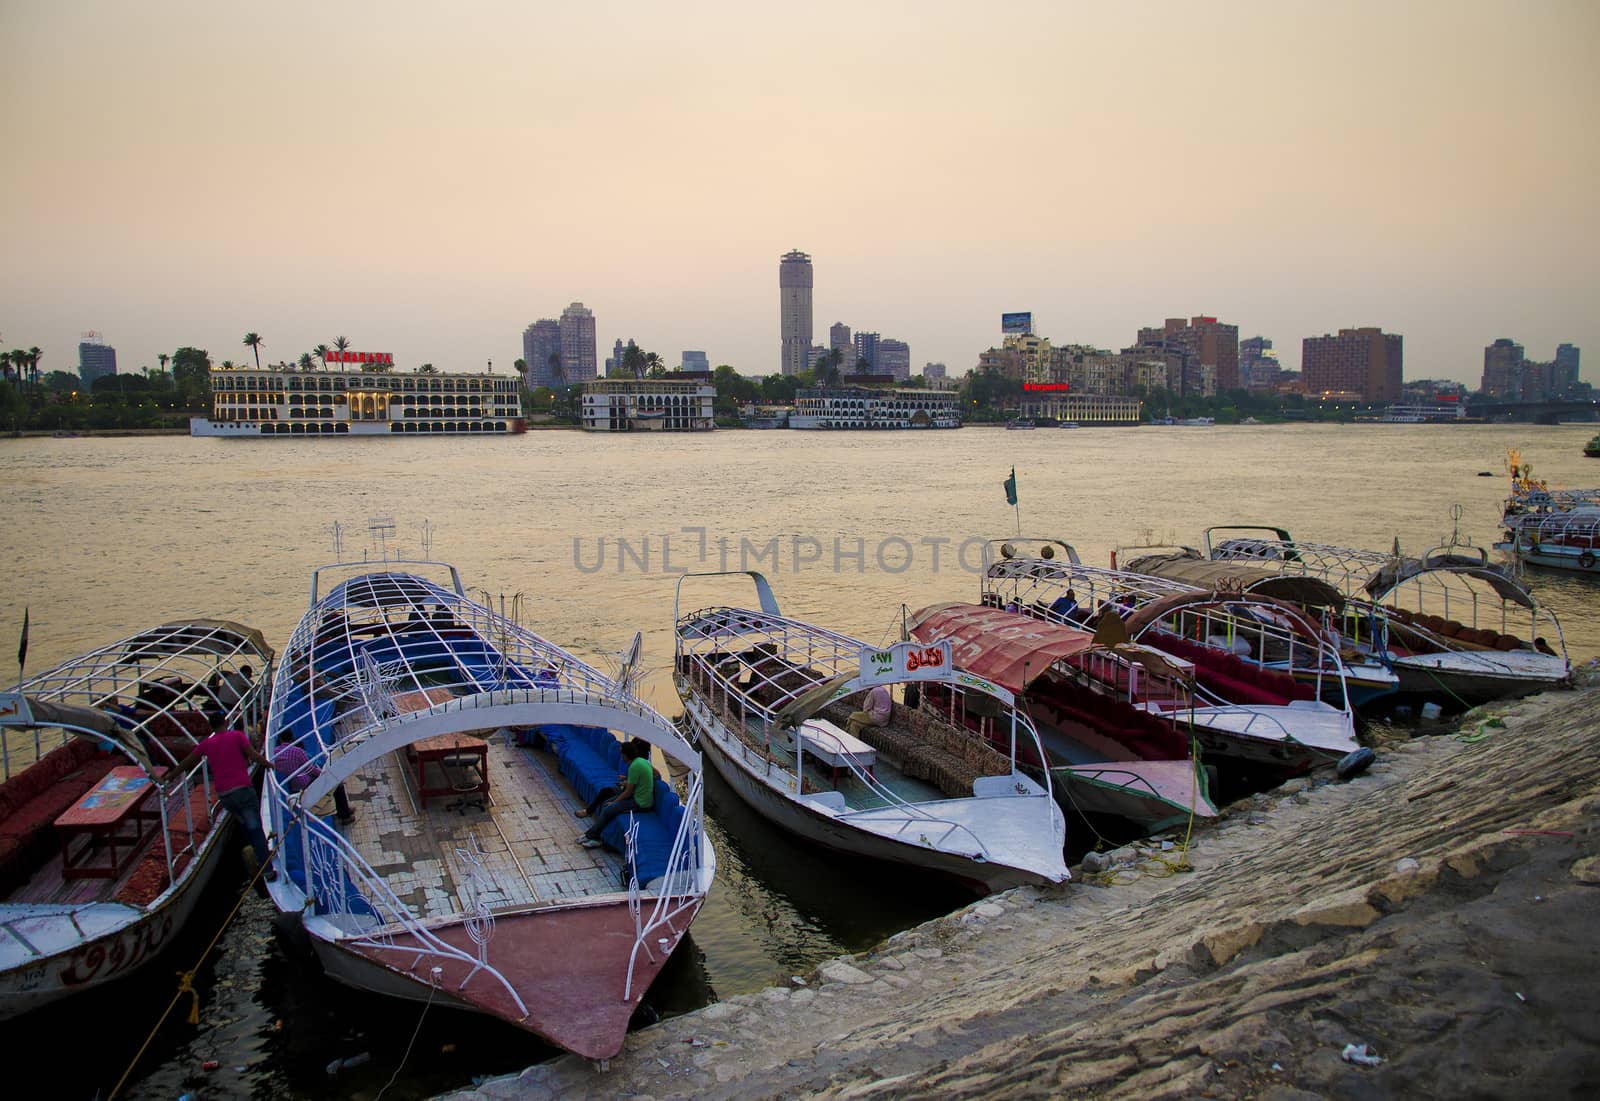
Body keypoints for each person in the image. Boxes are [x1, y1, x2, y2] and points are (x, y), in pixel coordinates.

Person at [170, 712, 275, 881]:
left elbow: (187, 762)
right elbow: (253, 755)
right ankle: (267, 870)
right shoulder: (237, 736)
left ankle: (255, 855)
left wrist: (169, 777)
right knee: (255, 828)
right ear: (225, 723)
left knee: (247, 826)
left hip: (225, 796)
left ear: (211, 727)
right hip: (242, 789)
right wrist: (270, 765)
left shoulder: (207, 744)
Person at [578, 739, 655, 849]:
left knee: (609, 809)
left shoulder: (634, 766)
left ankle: (593, 836)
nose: (621, 756)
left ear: (626, 755)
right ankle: (595, 835)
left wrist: (614, 802)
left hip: (640, 803)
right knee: (606, 803)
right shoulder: (642, 762)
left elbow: (628, 792)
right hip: (637, 797)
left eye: (622, 754)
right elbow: (654, 774)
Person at [271, 739, 355, 823]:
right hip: (305, 785)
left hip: (292, 787)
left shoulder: (275, 752)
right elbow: (310, 770)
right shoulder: (297, 751)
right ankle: (345, 815)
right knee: (337, 785)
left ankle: (341, 810)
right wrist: (328, 775)